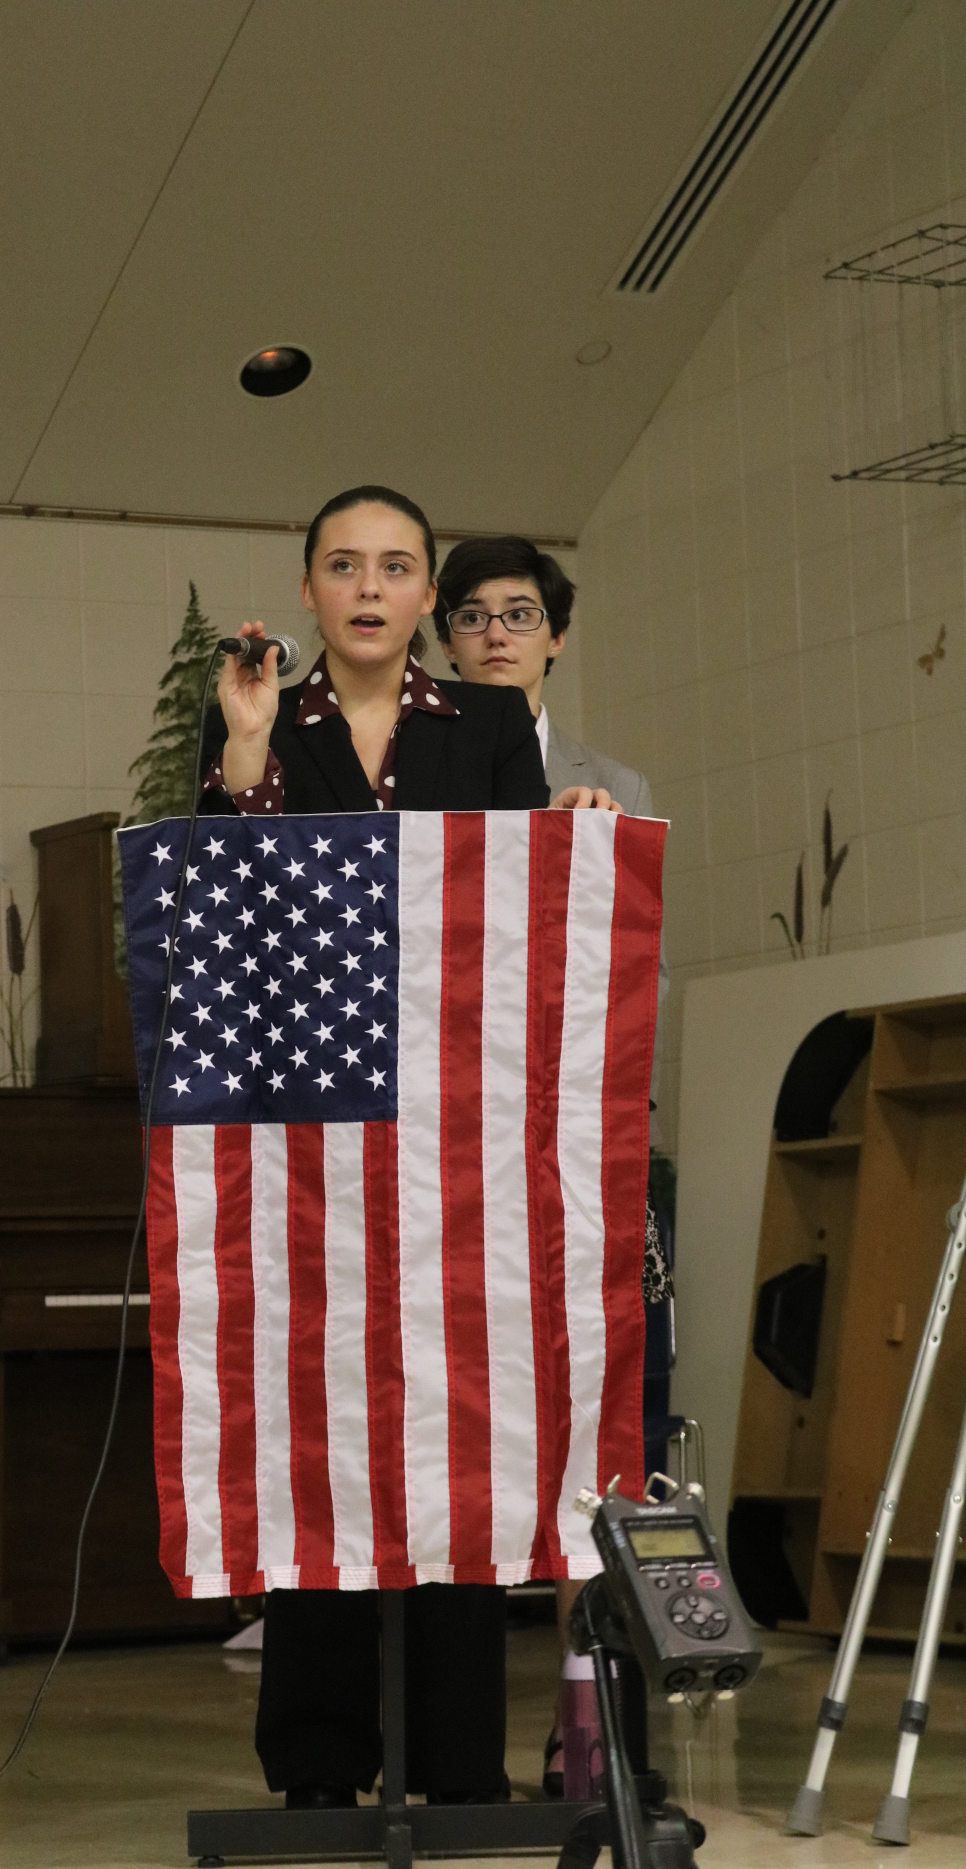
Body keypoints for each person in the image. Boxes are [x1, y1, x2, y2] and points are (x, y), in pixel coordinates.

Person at [198, 484, 549, 1809]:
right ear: (307, 589)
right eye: (342, 565)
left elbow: (522, 913)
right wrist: (241, 750)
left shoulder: (493, 724)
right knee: (320, 1426)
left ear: (423, 598)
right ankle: (317, 1762)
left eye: (395, 567)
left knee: (459, 1426)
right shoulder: (259, 717)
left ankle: (459, 1765)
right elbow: (223, 901)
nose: (367, 587)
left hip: (460, 1124)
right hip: (311, 1133)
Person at [434, 532, 671, 1798]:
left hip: (582, 1147)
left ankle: (595, 1735)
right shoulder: (410, 774)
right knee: (462, 1443)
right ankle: (457, 1749)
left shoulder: (611, 781)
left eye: (518, 612)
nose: (494, 632)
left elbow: (637, 978)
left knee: (607, 1436)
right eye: (468, 614)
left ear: (556, 633)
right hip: (451, 1162)